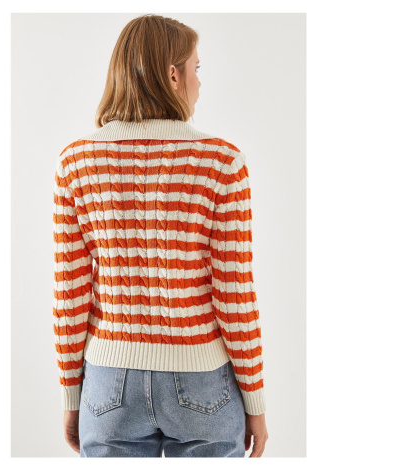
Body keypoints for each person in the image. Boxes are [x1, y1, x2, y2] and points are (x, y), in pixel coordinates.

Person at [53, 14, 269, 457]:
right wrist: (255, 401)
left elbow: (70, 293)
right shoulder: (222, 163)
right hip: (202, 382)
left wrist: (72, 396)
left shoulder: (75, 163)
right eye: (196, 68)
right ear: (173, 75)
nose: (199, 82)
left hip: (108, 383)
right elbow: (234, 295)